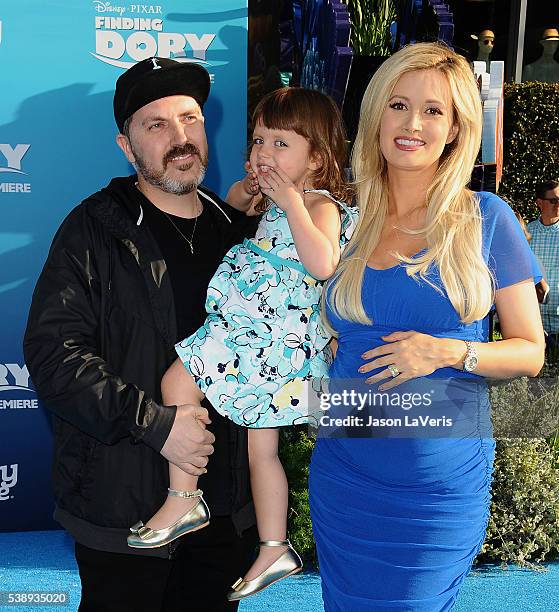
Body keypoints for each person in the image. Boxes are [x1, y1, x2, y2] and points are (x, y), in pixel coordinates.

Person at [309, 42, 545, 611]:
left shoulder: (488, 218)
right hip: (344, 476)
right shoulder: (340, 217)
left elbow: (530, 352)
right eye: (397, 105)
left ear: (458, 127)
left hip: (437, 491)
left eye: (433, 110)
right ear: (375, 116)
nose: (412, 124)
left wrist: (446, 352)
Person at [23, 57, 261, 611]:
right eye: (156, 125)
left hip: (224, 512)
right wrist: (157, 426)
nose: (180, 138)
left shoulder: (240, 233)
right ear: (127, 147)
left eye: (190, 119)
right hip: (122, 512)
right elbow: (53, 355)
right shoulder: (93, 228)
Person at [126, 87, 356, 602]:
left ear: (316, 157)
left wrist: (292, 201)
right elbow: (230, 214)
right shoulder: (268, 199)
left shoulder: (319, 204)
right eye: (258, 141)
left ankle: (189, 499)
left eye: (281, 144)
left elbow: (322, 264)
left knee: (180, 382)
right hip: (247, 333)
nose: (264, 154)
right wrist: (248, 197)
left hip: (274, 342)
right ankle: (272, 546)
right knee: (256, 448)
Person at [527, 180, 559, 352]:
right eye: (553, 200)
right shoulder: (526, 234)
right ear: (539, 203)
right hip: (533, 324)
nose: (558, 205)